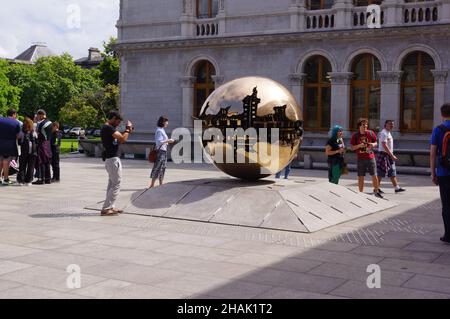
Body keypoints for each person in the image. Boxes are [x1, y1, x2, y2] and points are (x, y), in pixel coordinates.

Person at [100, 111, 133, 216]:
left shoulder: (107, 128)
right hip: (113, 160)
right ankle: (106, 208)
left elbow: (117, 140)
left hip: (111, 159)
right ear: (113, 118)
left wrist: (126, 131)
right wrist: (128, 130)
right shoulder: (108, 128)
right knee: (116, 184)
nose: (118, 124)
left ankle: (111, 206)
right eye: (118, 122)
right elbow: (123, 139)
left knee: (111, 184)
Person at [430, 103, 450, 244]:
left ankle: (448, 235)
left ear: (442, 114)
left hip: (444, 171)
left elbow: (432, 153)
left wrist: (433, 173)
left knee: (447, 204)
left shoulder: (439, 129)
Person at [350, 118, 383, 198]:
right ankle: (360, 193)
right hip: (360, 158)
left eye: (366, 124)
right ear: (359, 126)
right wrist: (359, 146)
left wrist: (372, 144)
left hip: (370, 157)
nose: (365, 126)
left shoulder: (371, 133)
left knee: (374, 174)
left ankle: (376, 191)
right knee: (360, 176)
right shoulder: (355, 135)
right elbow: (352, 148)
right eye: (363, 125)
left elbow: (376, 143)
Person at [377, 120, 405, 193]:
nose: (391, 126)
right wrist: (392, 155)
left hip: (388, 155)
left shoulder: (388, 133)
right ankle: (376, 188)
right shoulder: (383, 133)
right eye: (390, 124)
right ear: (385, 124)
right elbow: (384, 145)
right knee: (381, 172)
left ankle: (396, 188)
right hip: (384, 154)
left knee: (392, 171)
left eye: (392, 124)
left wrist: (391, 155)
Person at [149, 116, 174, 188]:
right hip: (160, 151)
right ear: (163, 122)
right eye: (166, 121)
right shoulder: (159, 131)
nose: (167, 123)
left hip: (163, 151)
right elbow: (159, 142)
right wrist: (168, 140)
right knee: (157, 167)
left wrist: (167, 141)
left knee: (163, 167)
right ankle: (152, 184)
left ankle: (160, 184)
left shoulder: (162, 130)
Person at [0, 109, 21, 185]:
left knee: (0, 160)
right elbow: (18, 136)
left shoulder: (0, 120)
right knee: (6, 161)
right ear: (14, 114)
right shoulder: (16, 122)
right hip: (9, 144)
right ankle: (6, 178)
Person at [33, 109, 53, 185]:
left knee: (41, 161)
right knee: (47, 161)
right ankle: (48, 178)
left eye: (37, 115)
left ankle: (42, 179)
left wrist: (35, 122)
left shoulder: (41, 124)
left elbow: (36, 133)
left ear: (41, 115)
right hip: (48, 143)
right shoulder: (50, 122)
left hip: (42, 143)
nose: (37, 117)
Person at [17, 117, 37, 185]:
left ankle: (21, 180)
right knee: (31, 166)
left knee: (22, 166)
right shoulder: (33, 132)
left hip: (24, 151)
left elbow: (19, 141)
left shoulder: (21, 132)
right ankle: (29, 181)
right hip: (33, 151)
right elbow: (36, 140)